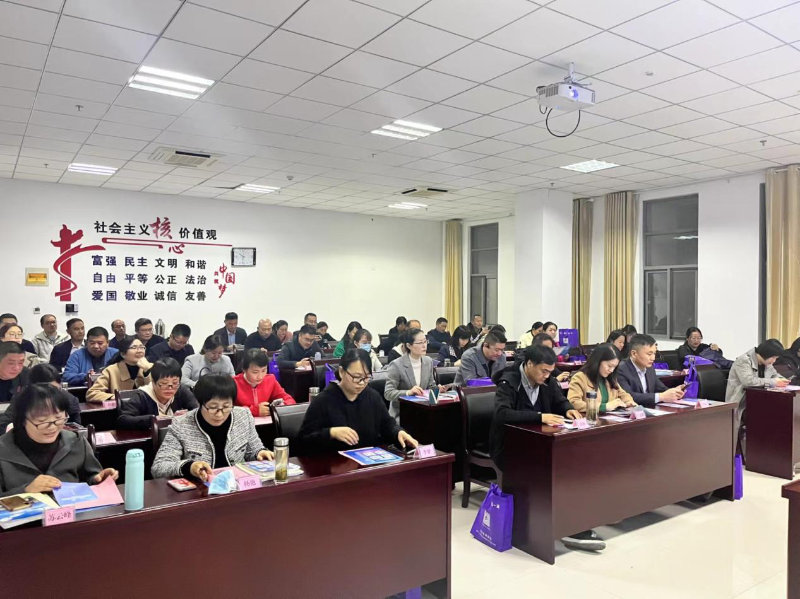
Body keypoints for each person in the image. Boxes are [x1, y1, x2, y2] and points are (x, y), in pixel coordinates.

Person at [488, 345, 598, 551]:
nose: (547, 376)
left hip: (540, 445)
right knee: (552, 473)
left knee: (573, 467)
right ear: (529, 364)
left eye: (550, 372)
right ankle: (557, 528)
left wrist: (568, 410)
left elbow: (559, 401)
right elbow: (502, 414)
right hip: (509, 447)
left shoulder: (548, 380)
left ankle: (572, 525)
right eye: (544, 371)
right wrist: (540, 417)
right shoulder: (508, 381)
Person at [0, 383, 117, 497]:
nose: (52, 427)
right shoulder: (3, 449)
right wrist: (25, 491)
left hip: (72, 509)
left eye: (59, 418)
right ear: (22, 420)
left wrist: (99, 480)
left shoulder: (76, 442)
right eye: (42, 421)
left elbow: (90, 478)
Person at [151, 374, 273, 481]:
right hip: (201, 491)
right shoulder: (181, 424)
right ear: (200, 403)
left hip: (238, 487)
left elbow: (254, 450)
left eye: (226, 407)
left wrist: (260, 453)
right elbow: (159, 467)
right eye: (213, 407)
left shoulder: (243, 416)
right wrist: (189, 467)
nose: (220, 414)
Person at [299, 349, 418, 453]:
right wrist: (330, 433)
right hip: (333, 465)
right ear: (341, 372)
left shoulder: (372, 397)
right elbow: (303, 441)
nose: (361, 383)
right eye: (356, 377)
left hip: (368, 463)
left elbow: (387, 425)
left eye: (366, 377)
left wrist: (398, 433)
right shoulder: (323, 400)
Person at [726, 339, 789, 454]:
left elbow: (775, 375)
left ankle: (768, 453)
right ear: (767, 353)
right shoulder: (744, 360)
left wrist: (784, 381)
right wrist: (773, 382)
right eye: (773, 358)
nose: (774, 361)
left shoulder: (767, 363)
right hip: (740, 403)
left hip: (758, 401)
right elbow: (748, 381)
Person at [117, 358, 198, 430]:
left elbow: (197, 409)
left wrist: (187, 415)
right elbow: (122, 420)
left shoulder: (181, 390)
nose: (170, 388)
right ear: (153, 382)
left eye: (175, 382)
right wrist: (154, 419)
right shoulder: (142, 396)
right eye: (164, 383)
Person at [0, 364, 82, 431]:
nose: (52, 394)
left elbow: (76, 428)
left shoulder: (70, 400)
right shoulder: (22, 398)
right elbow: (3, 424)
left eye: (55, 389)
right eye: (46, 390)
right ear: (32, 387)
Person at [385, 329, 444, 420]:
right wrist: (408, 392)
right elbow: (388, 393)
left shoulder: (428, 361)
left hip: (423, 410)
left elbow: (431, 387)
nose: (424, 345)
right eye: (420, 343)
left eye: (425, 341)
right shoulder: (396, 365)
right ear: (409, 345)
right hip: (402, 412)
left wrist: (438, 389)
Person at [616, 334, 686, 407]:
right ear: (634, 354)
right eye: (649, 354)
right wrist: (661, 397)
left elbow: (661, 389)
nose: (653, 358)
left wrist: (675, 392)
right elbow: (628, 396)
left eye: (654, 353)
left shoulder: (649, 368)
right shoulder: (621, 369)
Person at [567, 343, 637, 413]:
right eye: (609, 366)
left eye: (614, 367)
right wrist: (604, 407)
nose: (611, 370)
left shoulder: (610, 378)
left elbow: (623, 394)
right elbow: (574, 403)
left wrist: (628, 402)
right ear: (598, 361)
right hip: (589, 418)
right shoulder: (580, 378)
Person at [86, 336, 152, 402]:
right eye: (134, 348)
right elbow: (92, 394)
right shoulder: (111, 370)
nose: (139, 351)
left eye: (142, 347)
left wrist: (148, 370)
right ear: (123, 354)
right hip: (122, 407)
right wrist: (116, 397)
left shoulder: (151, 367)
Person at [233, 349, 295, 417]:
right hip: (243, 422)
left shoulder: (270, 380)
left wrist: (280, 407)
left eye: (264, 371)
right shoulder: (233, 383)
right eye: (255, 372)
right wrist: (254, 411)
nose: (260, 376)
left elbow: (289, 400)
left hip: (268, 421)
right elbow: (228, 410)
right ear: (244, 370)